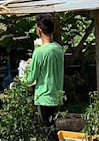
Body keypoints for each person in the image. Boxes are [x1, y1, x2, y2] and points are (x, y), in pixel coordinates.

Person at [25, 13, 64, 141]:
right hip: (57, 96)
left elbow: (30, 79)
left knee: (47, 133)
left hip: (44, 97)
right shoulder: (58, 48)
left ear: (39, 30)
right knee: (52, 130)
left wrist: (27, 68)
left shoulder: (39, 52)